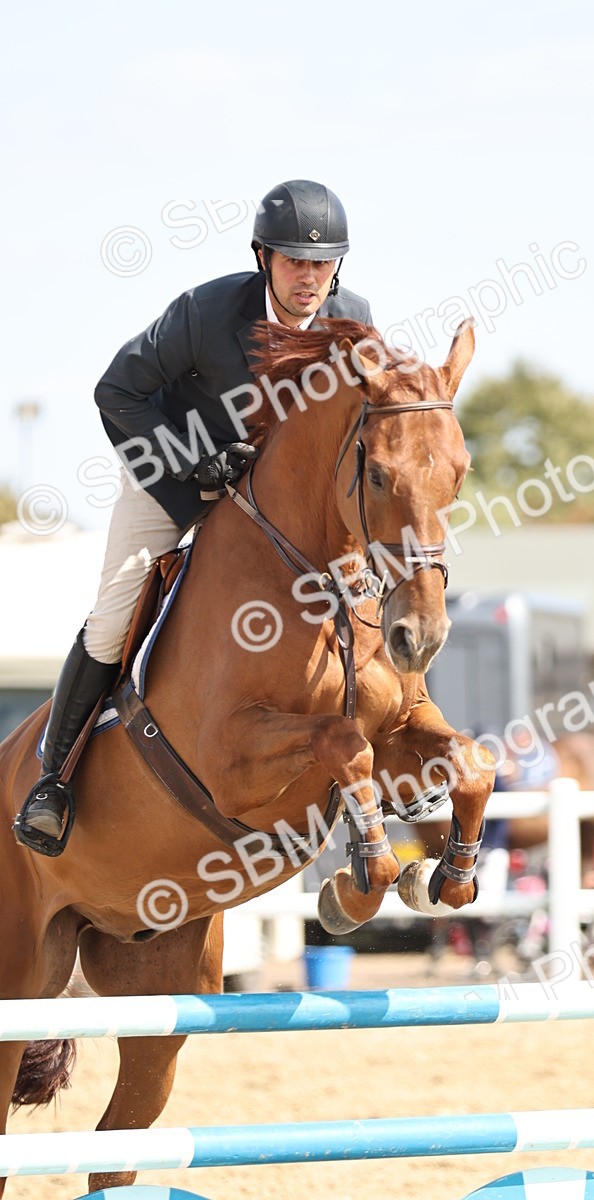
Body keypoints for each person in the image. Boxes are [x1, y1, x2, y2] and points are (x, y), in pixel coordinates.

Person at [14, 179, 372, 857]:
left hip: (275, 505)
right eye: (296, 261)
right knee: (116, 607)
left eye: (322, 264)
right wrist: (191, 462)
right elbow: (118, 390)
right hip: (171, 479)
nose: (310, 277)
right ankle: (52, 781)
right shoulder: (209, 312)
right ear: (264, 257)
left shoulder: (353, 321)